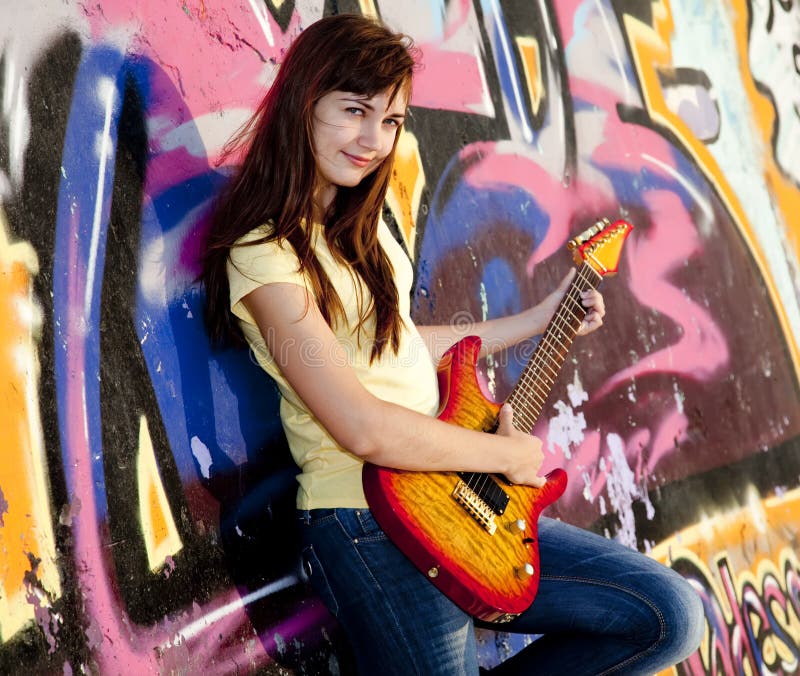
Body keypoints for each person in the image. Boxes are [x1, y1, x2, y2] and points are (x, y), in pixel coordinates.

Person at [201, 13, 704, 675]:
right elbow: (361, 424)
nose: (372, 140)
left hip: (450, 503)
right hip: (366, 521)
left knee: (666, 614)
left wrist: (538, 319)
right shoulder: (264, 256)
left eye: (391, 121)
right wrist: (504, 452)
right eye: (354, 111)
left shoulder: (364, 231)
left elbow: (401, 347)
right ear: (302, 101)